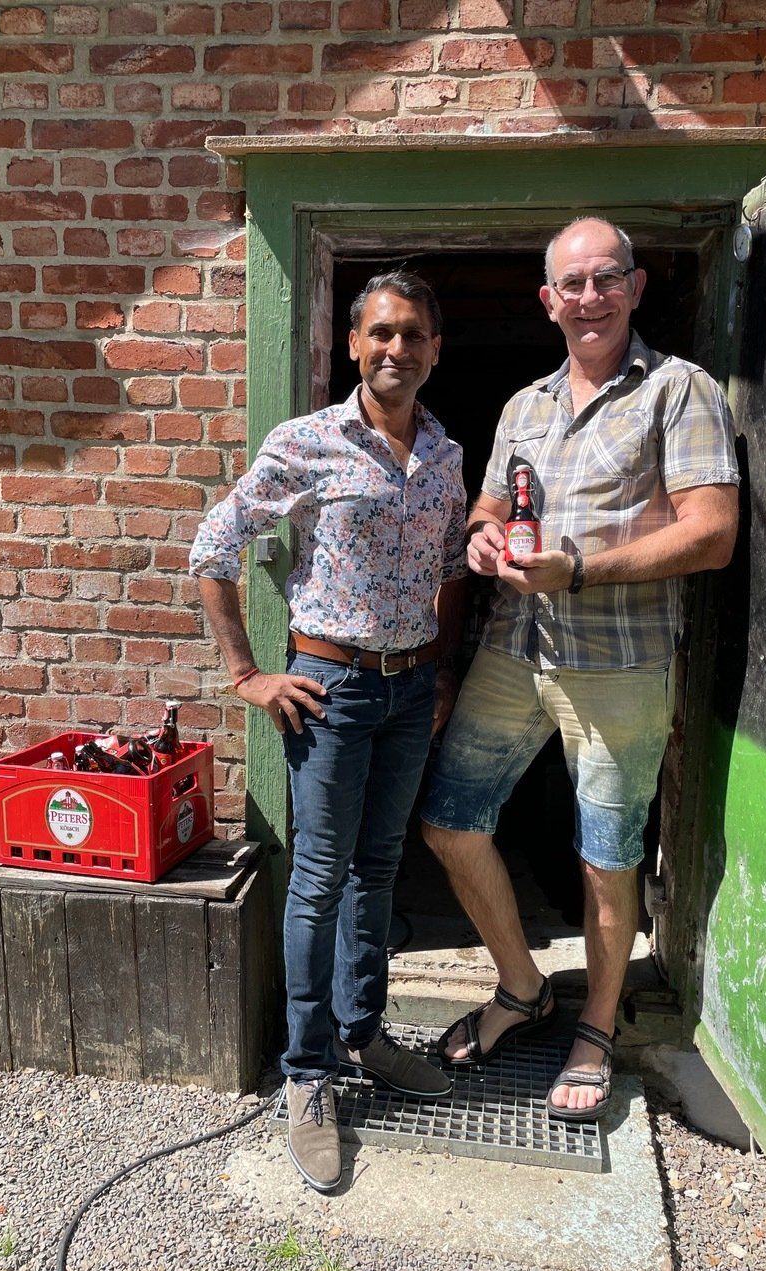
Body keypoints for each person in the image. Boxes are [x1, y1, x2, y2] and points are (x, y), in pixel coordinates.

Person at [421, 217, 740, 1123]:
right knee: (449, 821)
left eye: (607, 279)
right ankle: (523, 988)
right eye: (573, 283)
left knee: (606, 857)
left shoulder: (679, 390)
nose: (590, 297)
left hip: (619, 663)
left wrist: (583, 568)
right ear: (548, 300)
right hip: (514, 648)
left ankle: (596, 1029)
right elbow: (488, 504)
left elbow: (713, 532)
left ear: (635, 288)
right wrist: (483, 540)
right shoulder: (523, 405)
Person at [190, 271, 467, 1190]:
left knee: (378, 869)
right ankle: (308, 1074)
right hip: (330, 690)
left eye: (414, 334)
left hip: (409, 690)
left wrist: (441, 669)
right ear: (354, 344)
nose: (397, 349)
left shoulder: (445, 454)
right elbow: (213, 547)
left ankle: (364, 1034)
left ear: (435, 349)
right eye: (381, 332)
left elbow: (451, 569)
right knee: (317, 879)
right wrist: (247, 675)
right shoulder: (305, 443)